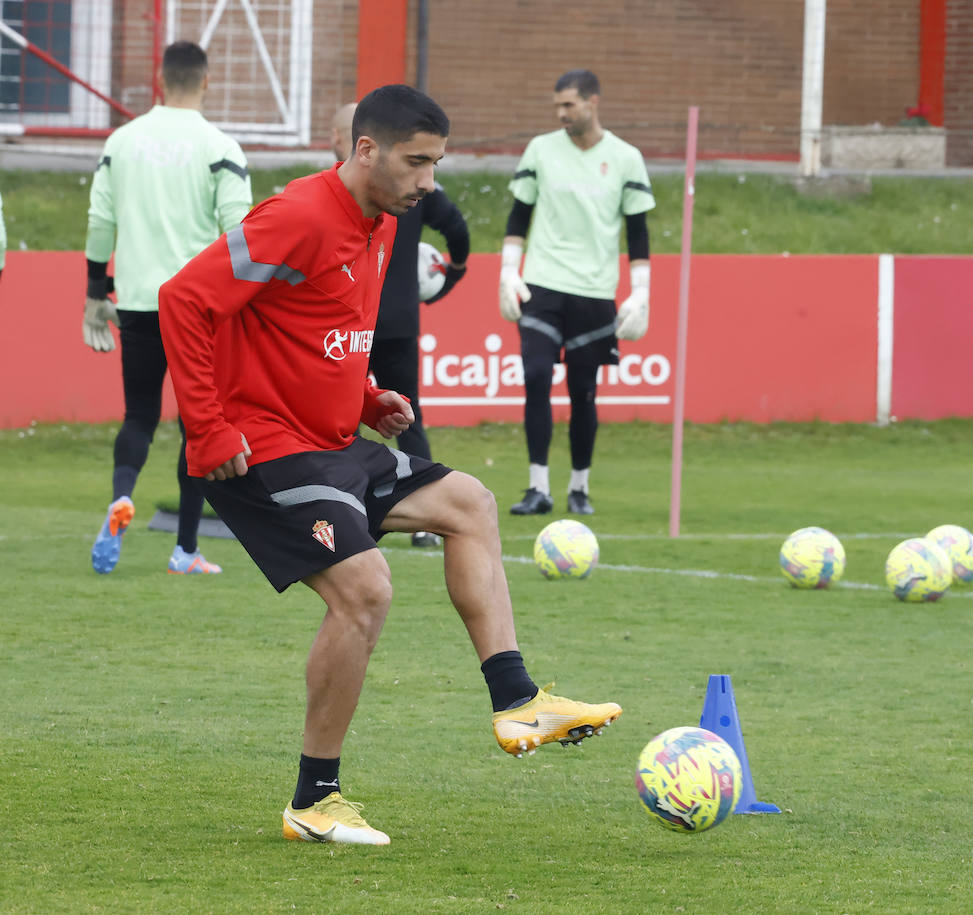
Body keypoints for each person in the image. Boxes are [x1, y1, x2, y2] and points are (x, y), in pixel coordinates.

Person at [159, 84, 621, 846]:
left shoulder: (381, 222)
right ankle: (315, 800)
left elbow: (313, 327)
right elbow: (185, 300)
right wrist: (207, 431)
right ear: (365, 151)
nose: (428, 181)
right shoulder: (296, 217)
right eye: (417, 162)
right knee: (366, 591)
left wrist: (367, 397)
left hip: (330, 439)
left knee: (469, 503)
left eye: (435, 164)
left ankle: (517, 699)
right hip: (262, 447)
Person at [82, 40, 252, 576]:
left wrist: (94, 291)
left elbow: (100, 219)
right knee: (196, 427)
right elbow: (238, 231)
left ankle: (120, 497)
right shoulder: (219, 144)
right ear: (206, 82)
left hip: (135, 300)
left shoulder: (123, 140)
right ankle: (184, 549)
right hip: (198, 308)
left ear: (159, 80)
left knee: (138, 414)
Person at [499, 69, 655, 516]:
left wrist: (641, 291)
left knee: (584, 391)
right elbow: (518, 216)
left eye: (569, 105)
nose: (562, 114)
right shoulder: (540, 150)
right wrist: (509, 271)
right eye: (557, 107)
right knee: (535, 377)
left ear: (593, 102)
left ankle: (579, 488)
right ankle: (538, 487)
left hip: (594, 292)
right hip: (543, 285)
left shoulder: (626, 158)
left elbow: (638, 232)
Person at [330, 101, 470, 549]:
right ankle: (424, 522)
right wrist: (456, 272)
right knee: (404, 416)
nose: (424, 180)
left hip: (355, 325)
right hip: (395, 321)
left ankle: (345, 514)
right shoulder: (329, 201)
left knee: (358, 417)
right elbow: (458, 230)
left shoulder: (386, 193)